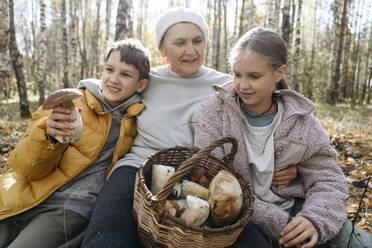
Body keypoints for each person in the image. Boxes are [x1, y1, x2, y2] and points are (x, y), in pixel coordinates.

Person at [81, 8, 299, 248]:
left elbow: (270, 117)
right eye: (180, 42)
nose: (191, 50)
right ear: (163, 49)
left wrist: (287, 164)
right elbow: (107, 86)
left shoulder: (228, 84)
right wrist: (73, 100)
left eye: (197, 41)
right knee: (108, 232)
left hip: (202, 177)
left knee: (249, 242)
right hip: (137, 169)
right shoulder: (147, 80)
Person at [194, 27, 372, 248]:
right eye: (237, 74)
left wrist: (315, 219)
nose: (243, 85)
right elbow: (211, 177)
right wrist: (281, 223)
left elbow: (327, 178)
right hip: (240, 216)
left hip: (299, 208)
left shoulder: (301, 121)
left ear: (279, 73)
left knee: (357, 242)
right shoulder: (215, 114)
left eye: (254, 76)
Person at [0, 38, 150, 248]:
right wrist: (49, 136)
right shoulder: (67, 102)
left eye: (125, 74)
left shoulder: (137, 121)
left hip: (71, 207)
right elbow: (23, 166)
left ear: (141, 84)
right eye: (109, 69)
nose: (114, 79)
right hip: (26, 192)